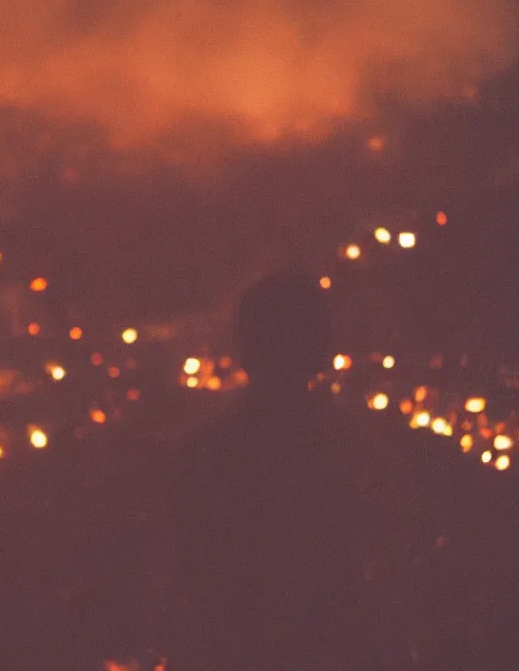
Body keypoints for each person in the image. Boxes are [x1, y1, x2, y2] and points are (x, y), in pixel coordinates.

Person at [168, 273, 415, 670]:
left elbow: (188, 578)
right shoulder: (360, 450)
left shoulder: (206, 455)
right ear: (321, 349)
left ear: (245, 351)